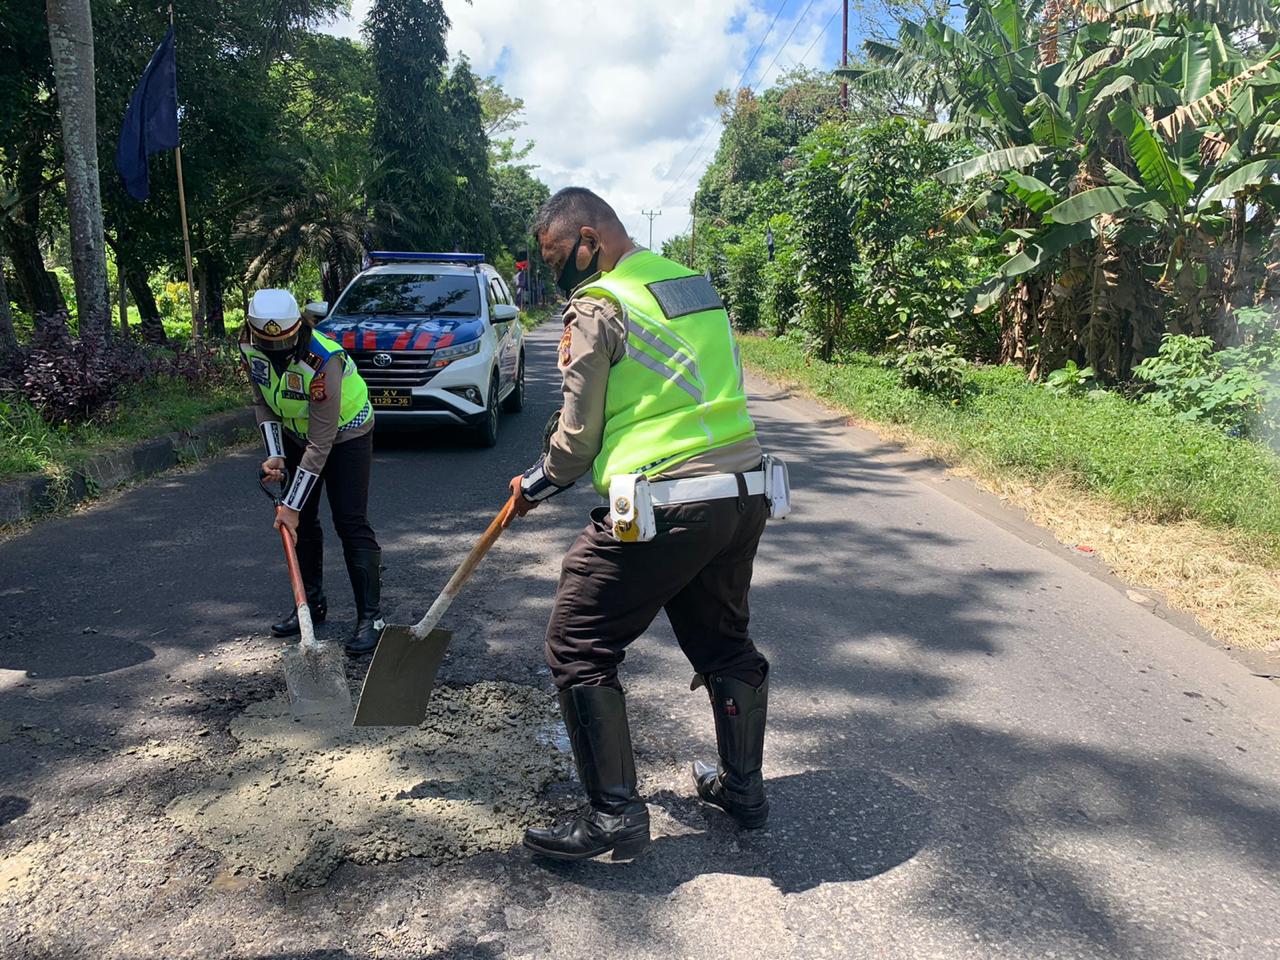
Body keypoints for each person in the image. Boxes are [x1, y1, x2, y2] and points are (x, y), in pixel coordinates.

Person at [504, 188, 776, 861]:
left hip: (672, 502)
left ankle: (613, 816)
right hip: (742, 494)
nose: (556, 272)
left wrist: (534, 484)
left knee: (578, 641)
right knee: (723, 644)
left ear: (590, 239)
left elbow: (574, 443)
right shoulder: (692, 286)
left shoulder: (600, 305)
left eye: (558, 256)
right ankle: (742, 789)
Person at [239, 289, 384, 657]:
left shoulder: (323, 361)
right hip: (295, 430)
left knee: (349, 520)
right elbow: (263, 401)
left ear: (299, 329)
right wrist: (275, 455)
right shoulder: (249, 345)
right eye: (267, 343)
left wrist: (291, 505)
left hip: (347, 432)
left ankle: (371, 618)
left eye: (284, 342)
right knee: (301, 524)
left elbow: (320, 445)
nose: (276, 352)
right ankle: (311, 606)